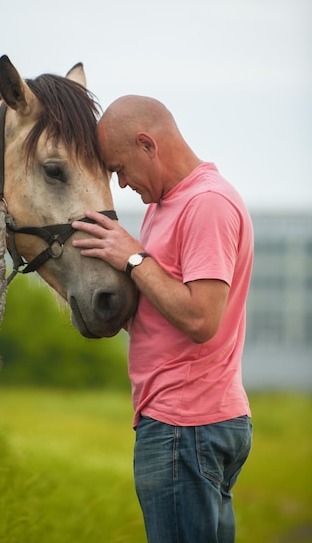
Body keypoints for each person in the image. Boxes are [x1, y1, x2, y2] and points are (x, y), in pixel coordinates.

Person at [71, 95, 253, 543]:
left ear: (147, 144)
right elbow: (163, 304)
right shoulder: (162, 207)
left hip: (186, 427)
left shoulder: (206, 204)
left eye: (119, 168)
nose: (121, 182)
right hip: (185, 424)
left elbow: (200, 317)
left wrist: (133, 257)